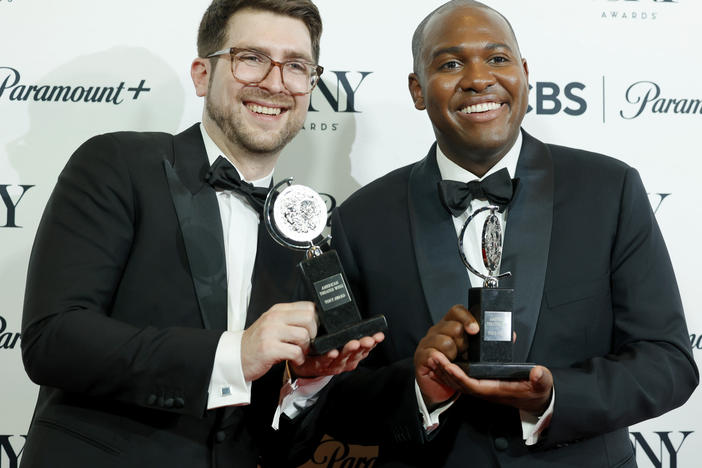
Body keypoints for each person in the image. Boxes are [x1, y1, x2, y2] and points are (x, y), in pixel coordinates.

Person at [320, 1, 699, 466]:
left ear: (524, 74)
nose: (479, 77)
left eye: (497, 59)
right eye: (451, 63)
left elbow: (668, 363)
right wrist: (417, 389)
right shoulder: (361, 219)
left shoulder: (610, 190)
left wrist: (554, 397)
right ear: (417, 90)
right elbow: (331, 396)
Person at [19, 1, 383, 467]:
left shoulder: (302, 228)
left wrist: (304, 383)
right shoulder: (117, 165)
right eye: (251, 58)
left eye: (296, 66)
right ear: (202, 75)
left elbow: (281, 449)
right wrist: (235, 354)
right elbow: (53, 339)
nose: (275, 83)